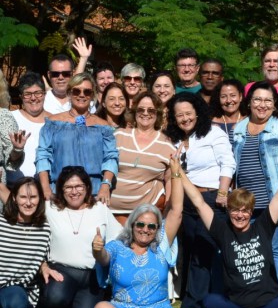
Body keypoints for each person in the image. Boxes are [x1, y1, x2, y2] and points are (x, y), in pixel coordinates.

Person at [175, 134, 278, 308]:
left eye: (245, 210)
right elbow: (198, 202)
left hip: (269, 304)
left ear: (251, 211)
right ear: (228, 211)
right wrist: (178, 171)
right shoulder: (223, 232)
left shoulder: (263, 226)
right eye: (235, 210)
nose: (240, 215)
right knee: (210, 301)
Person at [88, 156, 183, 308]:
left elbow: (177, 210)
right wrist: (97, 249)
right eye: (140, 224)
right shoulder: (117, 247)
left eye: (151, 226)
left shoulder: (161, 244)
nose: (145, 230)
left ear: (157, 229)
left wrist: (175, 172)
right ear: (131, 225)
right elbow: (103, 258)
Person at [165, 92, 235, 308]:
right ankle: (196, 298)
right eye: (179, 115)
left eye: (188, 113)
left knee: (202, 252)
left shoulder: (213, 132)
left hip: (211, 199)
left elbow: (228, 162)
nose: (184, 118)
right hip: (183, 201)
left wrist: (223, 192)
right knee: (189, 250)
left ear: (197, 112)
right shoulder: (173, 139)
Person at [233, 81, 278, 285]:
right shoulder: (238, 129)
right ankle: (252, 293)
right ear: (249, 102)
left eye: (268, 100)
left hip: (274, 203)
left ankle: (274, 296)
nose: (262, 105)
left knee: (276, 250)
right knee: (248, 251)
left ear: (274, 104)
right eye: (258, 99)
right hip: (245, 205)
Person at [42, 166, 122, 308]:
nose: (74, 191)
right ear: (61, 190)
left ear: (87, 188)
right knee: (56, 297)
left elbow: (121, 238)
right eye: (68, 187)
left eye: (79, 186)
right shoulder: (50, 208)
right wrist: (43, 264)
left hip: (92, 276)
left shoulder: (100, 209)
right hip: (62, 271)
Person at [36, 73, 119, 203]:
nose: (81, 95)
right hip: (60, 191)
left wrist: (105, 185)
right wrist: (46, 189)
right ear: (69, 93)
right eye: (76, 91)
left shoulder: (103, 126)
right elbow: (43, 156)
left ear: (92, 95)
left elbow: (111, 157)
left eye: (87, 92)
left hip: (94, 191)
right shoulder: (53, 123)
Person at [0, 177, 58, 308]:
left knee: (16, 305)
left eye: (33, 197)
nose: (28, 203)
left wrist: (44, 266)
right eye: (23, 197)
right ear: (14, 198)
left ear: (40, 199)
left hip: (15, 288)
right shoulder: (2, 222)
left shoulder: (44, 229)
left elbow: (42, 257)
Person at [110, 92, 175, 224]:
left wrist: (167, 209)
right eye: (141, 109)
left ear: (157, 113)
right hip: (110, 212)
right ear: (134, 111)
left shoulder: (167, 144)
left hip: (144, 218)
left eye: (151, 110)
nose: (145, 113)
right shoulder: (119, 135)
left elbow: (170, 179)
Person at [7, 72, 47, 185]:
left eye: (38, 93)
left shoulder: (55, 121)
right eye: (28, 94)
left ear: (44, 94)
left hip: (45, 189)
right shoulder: (10, 118)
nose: (33, 98)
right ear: (21, 97)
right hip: (14, 188)